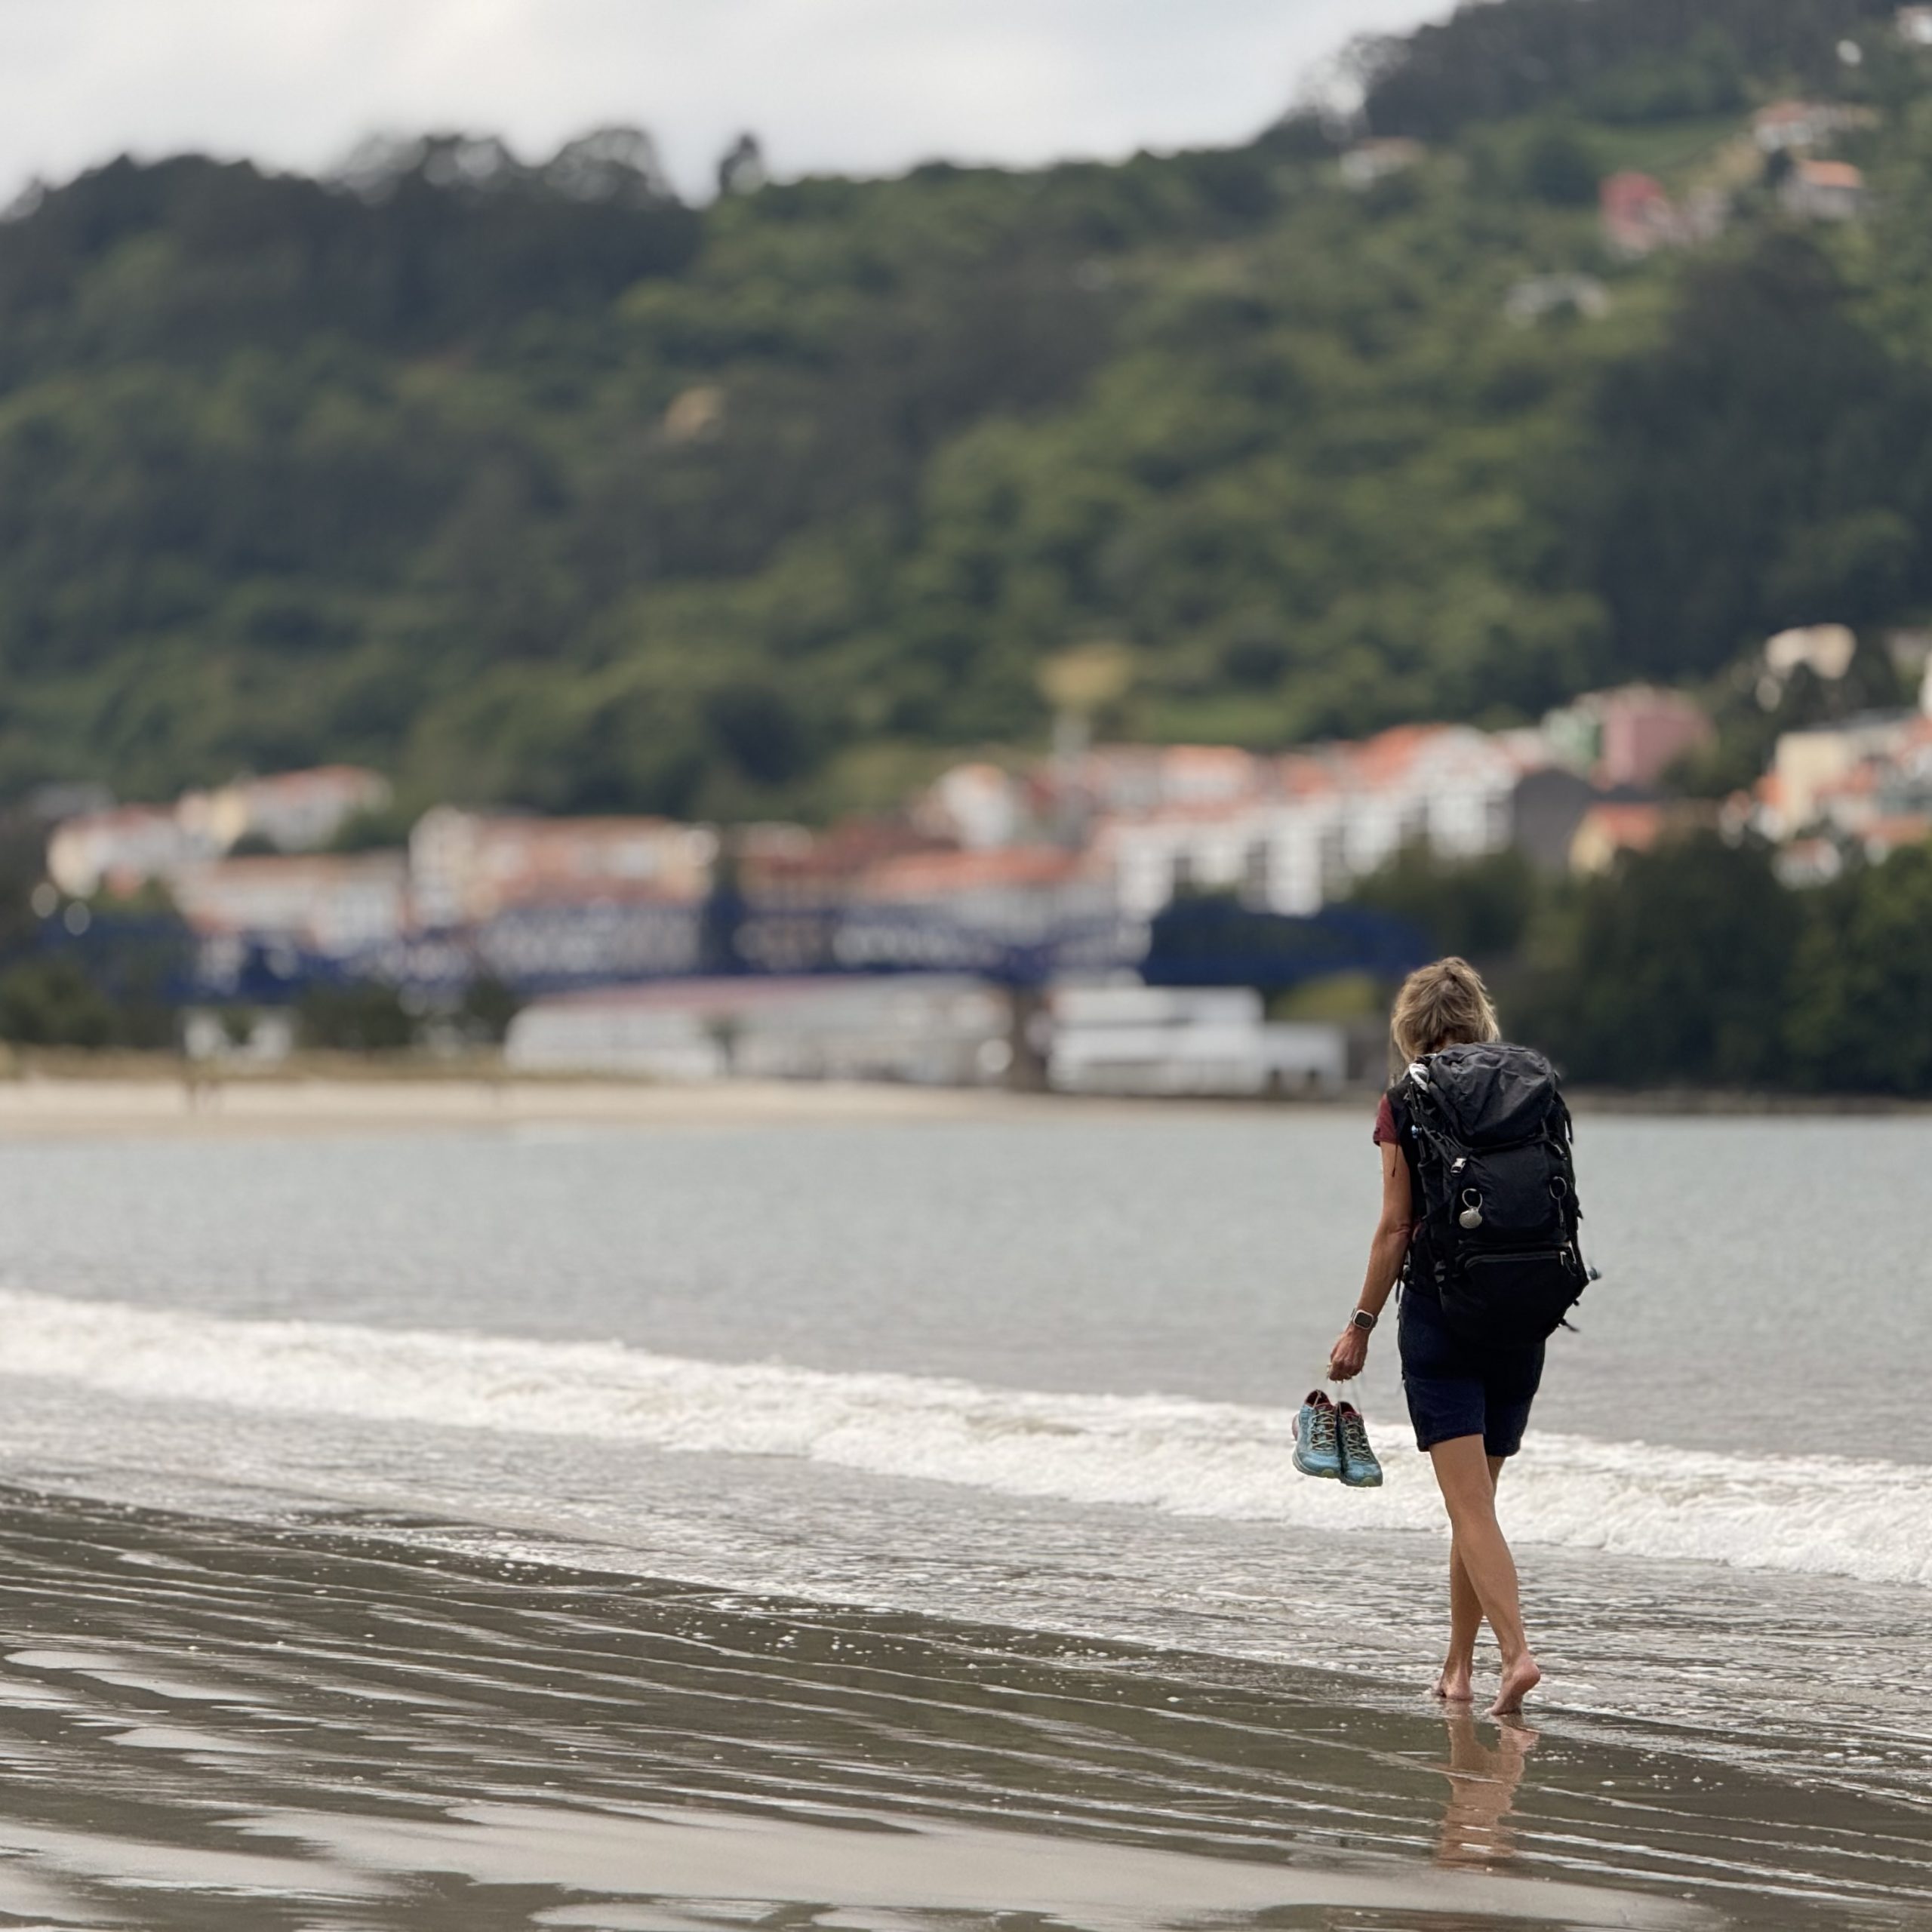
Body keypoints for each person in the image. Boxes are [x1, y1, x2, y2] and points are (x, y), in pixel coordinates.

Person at [1325, 957, 1545, 1717]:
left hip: (1442, 1320)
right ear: (1478, 1018)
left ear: (1410, 1029)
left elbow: (1394, 1227)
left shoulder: (1405, 1098)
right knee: (1475, 1502)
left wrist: (1359, 1323)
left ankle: (1515, 1655)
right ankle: (1458, 1668)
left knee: (1468, 1507)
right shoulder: (1527, 1088)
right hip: (1521, 1314)